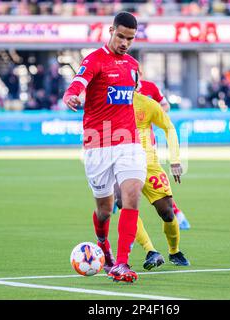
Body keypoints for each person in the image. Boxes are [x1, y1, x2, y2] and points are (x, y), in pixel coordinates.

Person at [62, 12, 146, 283]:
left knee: (132, 196)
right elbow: (79, 82)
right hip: (97, 143)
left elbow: (136, 97)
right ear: (111, 31)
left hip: (129, 142)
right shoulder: (94, 59)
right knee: (105, 209)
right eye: (121, 36)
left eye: (130, 38)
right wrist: (70, 94)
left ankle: (122, 263)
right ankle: (104, 245)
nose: (125, 42)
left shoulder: (133, 65)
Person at [133, 69, 191, 230]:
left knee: (156, 190)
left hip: (147, 145)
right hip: (122, 147)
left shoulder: (150, 88)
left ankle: (176, 213)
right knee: (125, 196)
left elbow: (165, 105)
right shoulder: (117, 93)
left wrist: (155, 114)